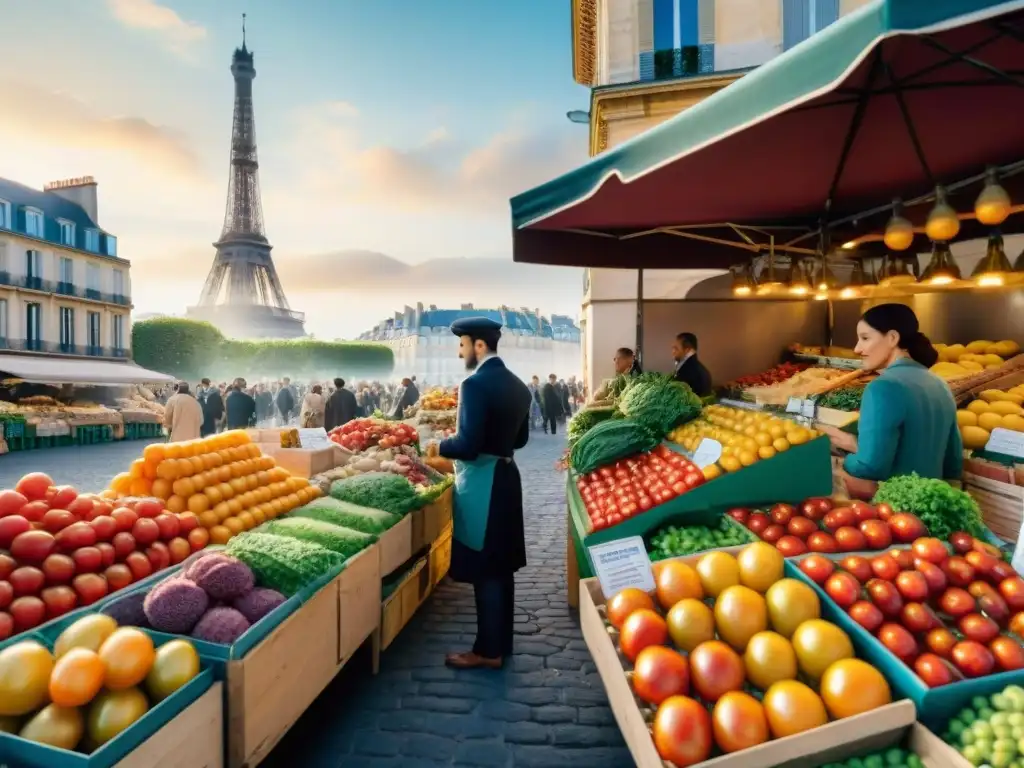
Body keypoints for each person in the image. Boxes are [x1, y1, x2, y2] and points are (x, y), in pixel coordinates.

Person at [427, 316, 531, 670]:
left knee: (486, 569)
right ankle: (502, 644)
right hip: (507, 478)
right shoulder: (519, 386)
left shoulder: (474, 385)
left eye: (462, 345)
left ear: (479, 345)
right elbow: (520, 441)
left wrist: (436, 444)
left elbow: (467, 446)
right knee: (502, 568)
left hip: (482, 485)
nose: (461, 354)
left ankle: (487, 652)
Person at [820, 303, 963, 499]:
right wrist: (854, 443)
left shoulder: (883, 387)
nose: (857, 348)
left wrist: (840, 462)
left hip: (896, 508)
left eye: (865, 338)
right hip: (930, 503)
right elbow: (953, 462)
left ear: (892, 338)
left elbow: (869, 467)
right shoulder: (939, 383)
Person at [671, 332, 713, 397]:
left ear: (687, 350)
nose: (673, 352)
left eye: (676, 348)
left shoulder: (688, 371)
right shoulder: (699, 368)